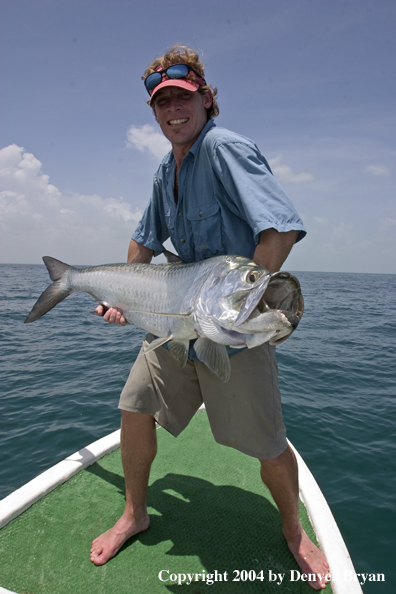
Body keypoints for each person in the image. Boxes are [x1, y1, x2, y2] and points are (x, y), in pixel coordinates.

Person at [90, 45, 330, 590]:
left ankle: (293, 530)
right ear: (154, 112)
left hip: (230, 330)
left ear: (205, 99)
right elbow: (143, 241)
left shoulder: (225, 149)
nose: (173, 109)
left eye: (183, 98)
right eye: (162, 102)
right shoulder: (164, 170)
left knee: (267, 442)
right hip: (176, 322)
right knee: (134, 406)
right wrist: (122, 298)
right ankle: (136, 513)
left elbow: (280, 231)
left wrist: (238, 308)